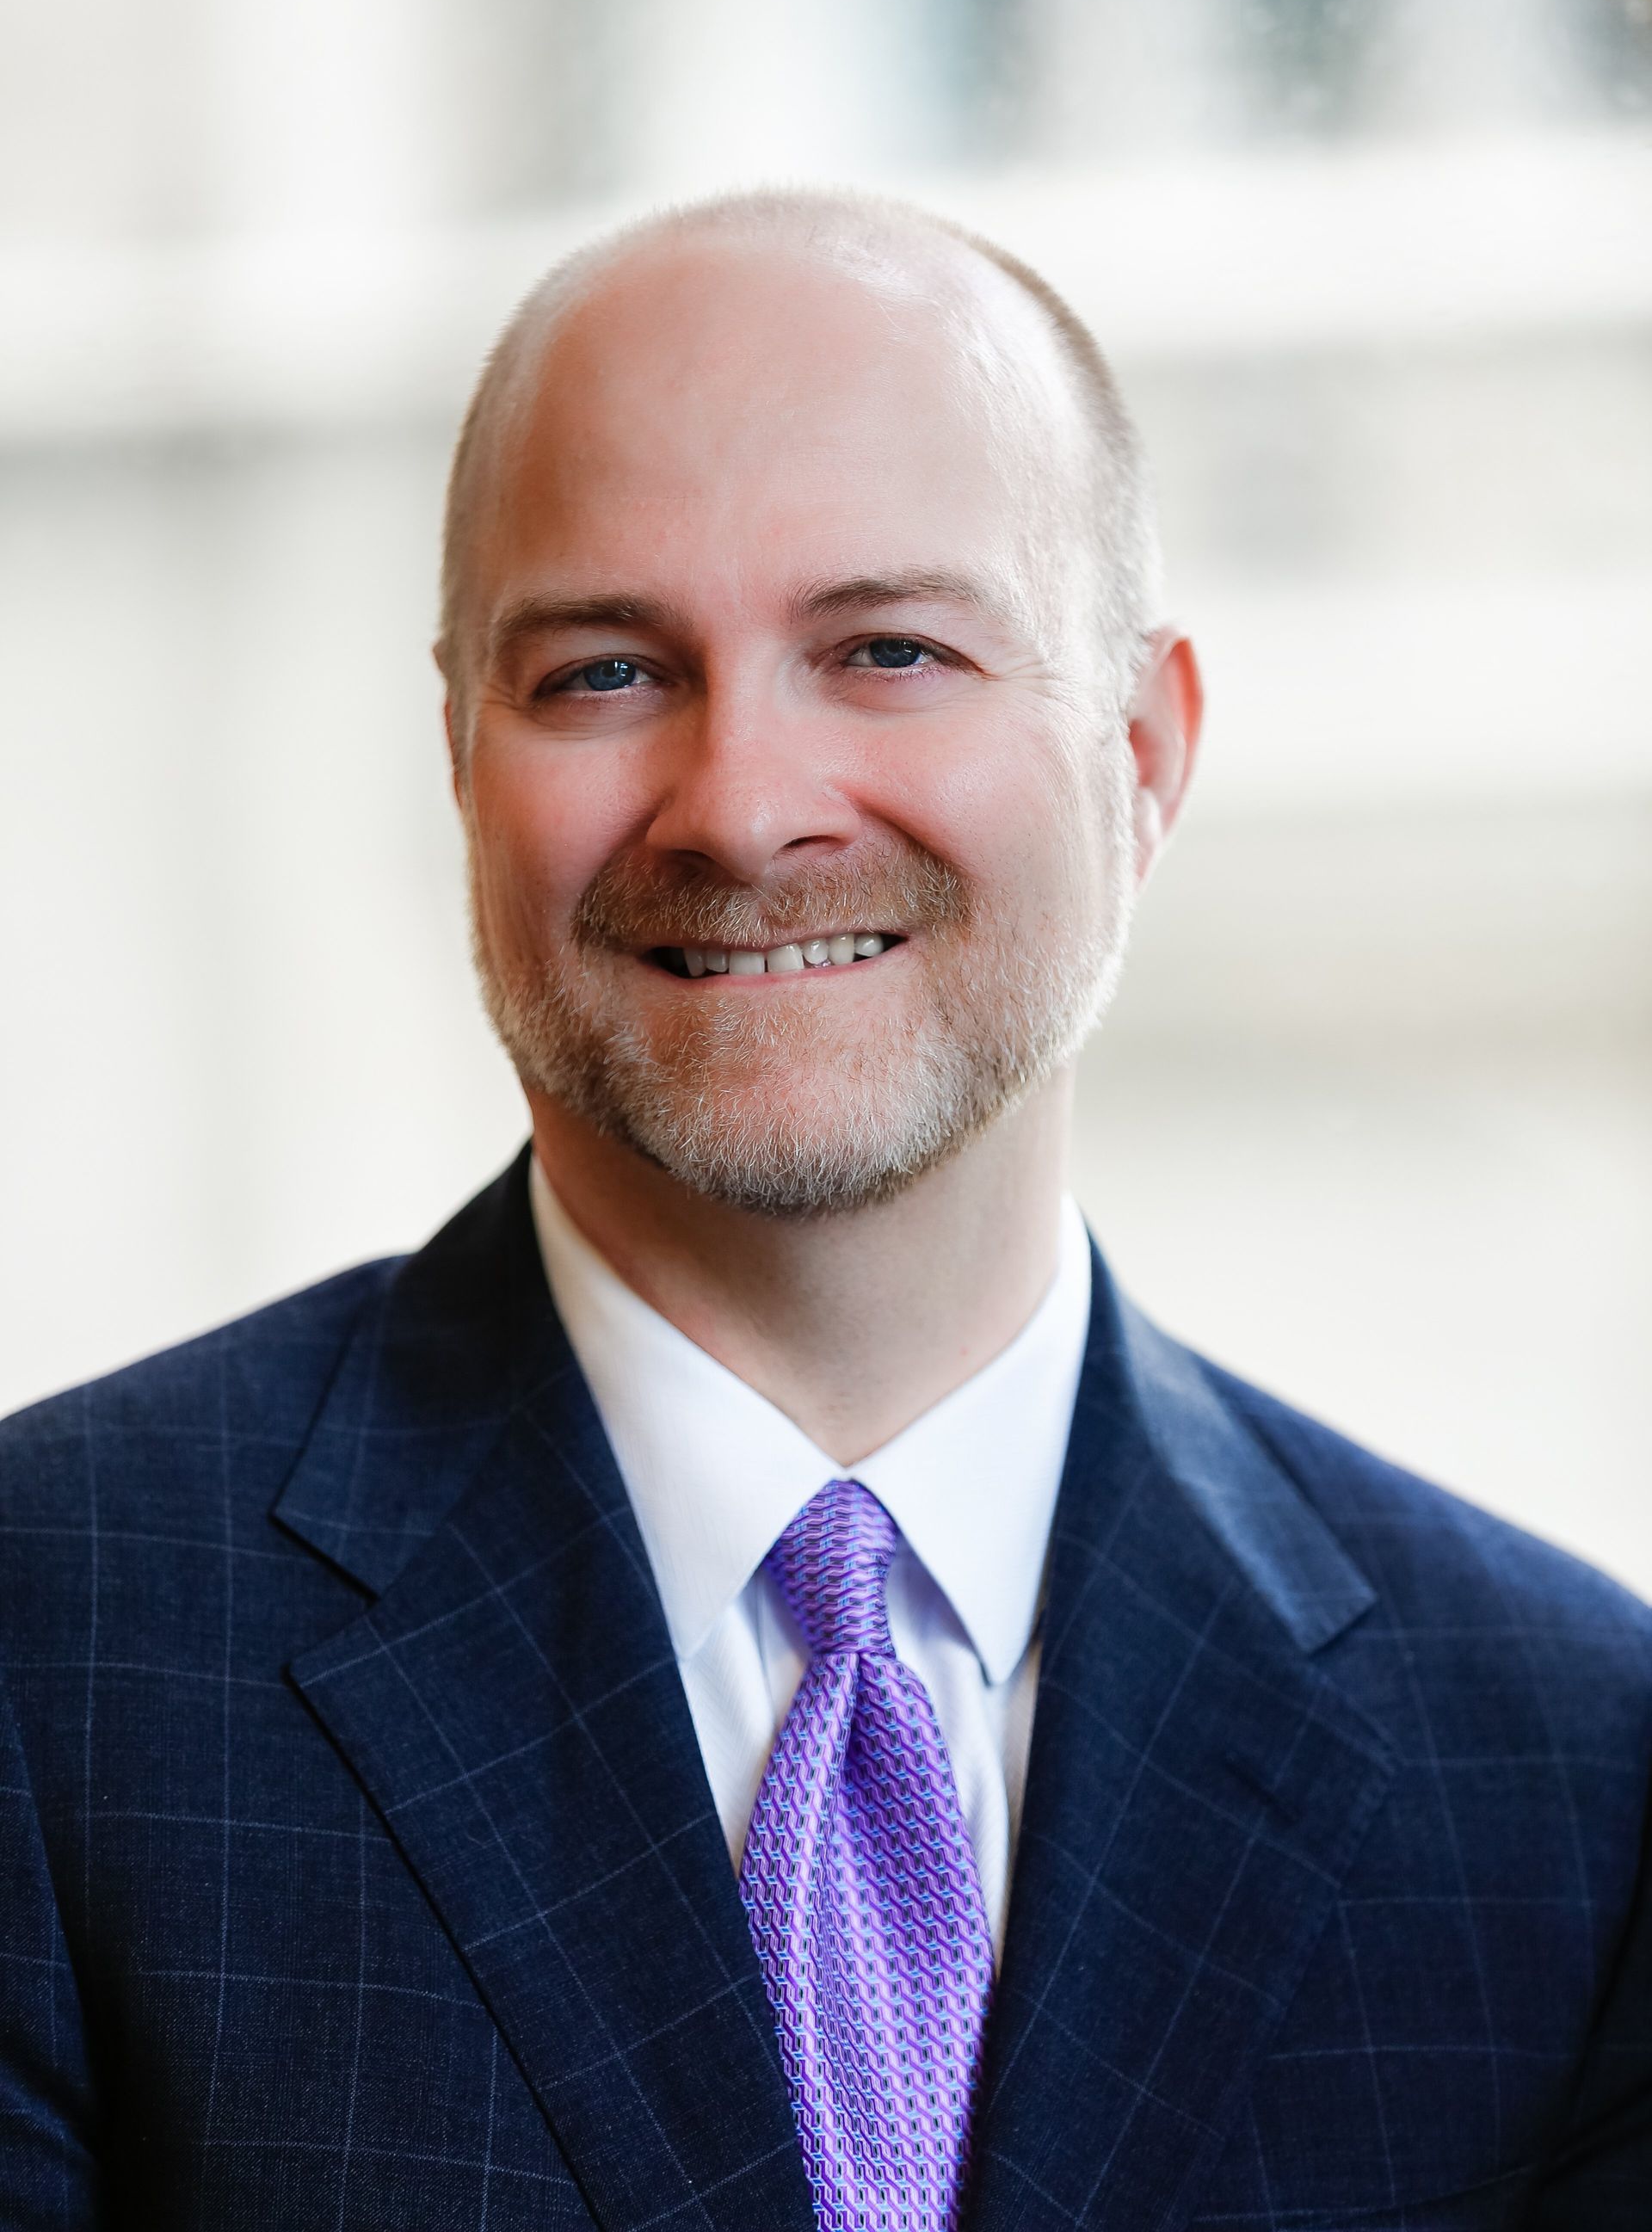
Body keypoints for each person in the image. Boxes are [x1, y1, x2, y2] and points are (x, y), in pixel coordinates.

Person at [1, 193, 1647, 2232]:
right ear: (458, 759)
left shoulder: (1581, 1781)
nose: (744, 805)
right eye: (606, 672)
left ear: (1142, 754)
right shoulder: (45, 1650)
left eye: (888, 650)